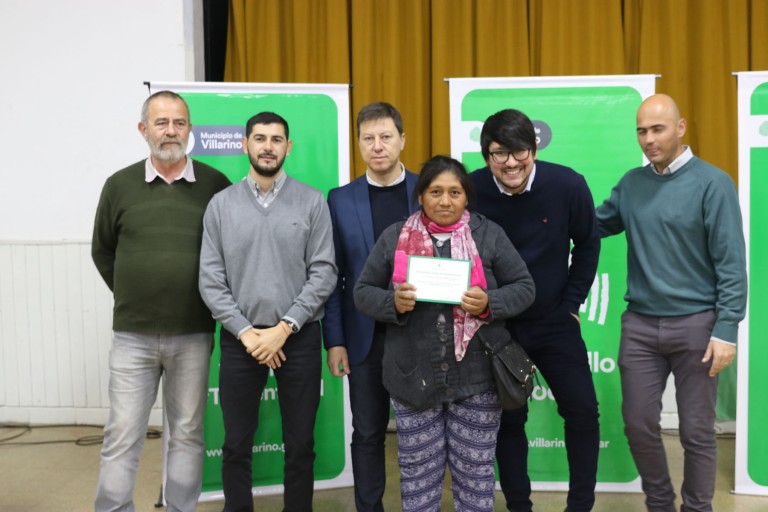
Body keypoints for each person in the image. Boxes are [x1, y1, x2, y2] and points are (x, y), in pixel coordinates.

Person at [354, 155, 535, 512]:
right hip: (413, 380)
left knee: (475, 476)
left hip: (477, 378)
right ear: (420, 195)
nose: (445, 201)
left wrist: (489, 302)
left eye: (455, 192)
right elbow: (362, 292)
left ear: (466, 197)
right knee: (419, 478)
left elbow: (525, 287)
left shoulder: (488, 234)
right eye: (435, 192)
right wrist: (393, 302)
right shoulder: (395, 236)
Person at [596, 94, 747, 512]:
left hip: (698, 326)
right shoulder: (631, 184)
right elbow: (592, 225)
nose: (649, 139)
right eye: (641, 131)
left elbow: (731, 264)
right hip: (640, 326)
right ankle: (659, 504)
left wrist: (726, 329)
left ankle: (697, 507)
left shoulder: (713, 183)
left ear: (680, 129)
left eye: (658, 129)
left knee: (697, 432)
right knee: (638, 424)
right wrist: (546, 213)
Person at [91, 90, 231, 512]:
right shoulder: (118, 185)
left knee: (187, 433)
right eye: (161, 122)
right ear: (143, 129)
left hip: (193, 335)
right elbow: (103, 250)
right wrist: (133, 293)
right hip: (132, 337)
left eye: (179, 123)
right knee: (122, 433)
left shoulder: (216, 186)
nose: (171, 131)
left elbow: (230, 252)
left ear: (190, 130)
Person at [198, 111, 337, 512]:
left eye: (276, 140)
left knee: (300, 444)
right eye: (259, 139)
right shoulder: (220, 205)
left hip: (299, 336)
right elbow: (210, 280)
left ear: (288, 147)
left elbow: (324, 272)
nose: (268, 147)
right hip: (241, 339)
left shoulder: (312, 201)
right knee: (236, 444)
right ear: (245, 145)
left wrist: (285, 327)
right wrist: (247, 333)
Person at [469, 109, 601, 512]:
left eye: (520, 152)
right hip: (497, 325)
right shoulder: (471, 190)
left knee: (582, 412)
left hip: (553, 320)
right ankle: (519, 507)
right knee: (509, 420)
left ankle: (580, 506)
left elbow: (588, 244)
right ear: (486, 156)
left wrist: (571, 305)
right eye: (499, 154)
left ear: (534, 149)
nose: (511, 163)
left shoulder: (568, 185)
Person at [322, 101, 419, 511]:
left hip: (421, 336)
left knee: (422, 435)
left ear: (402, 140)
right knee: (367, 433)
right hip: (363, 338)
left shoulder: (429, 190)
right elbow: (333, 276)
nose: (377, 146)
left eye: (385, 137)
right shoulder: (340, 200)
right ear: (359, 143)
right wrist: (335, 340)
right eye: (368, 138)